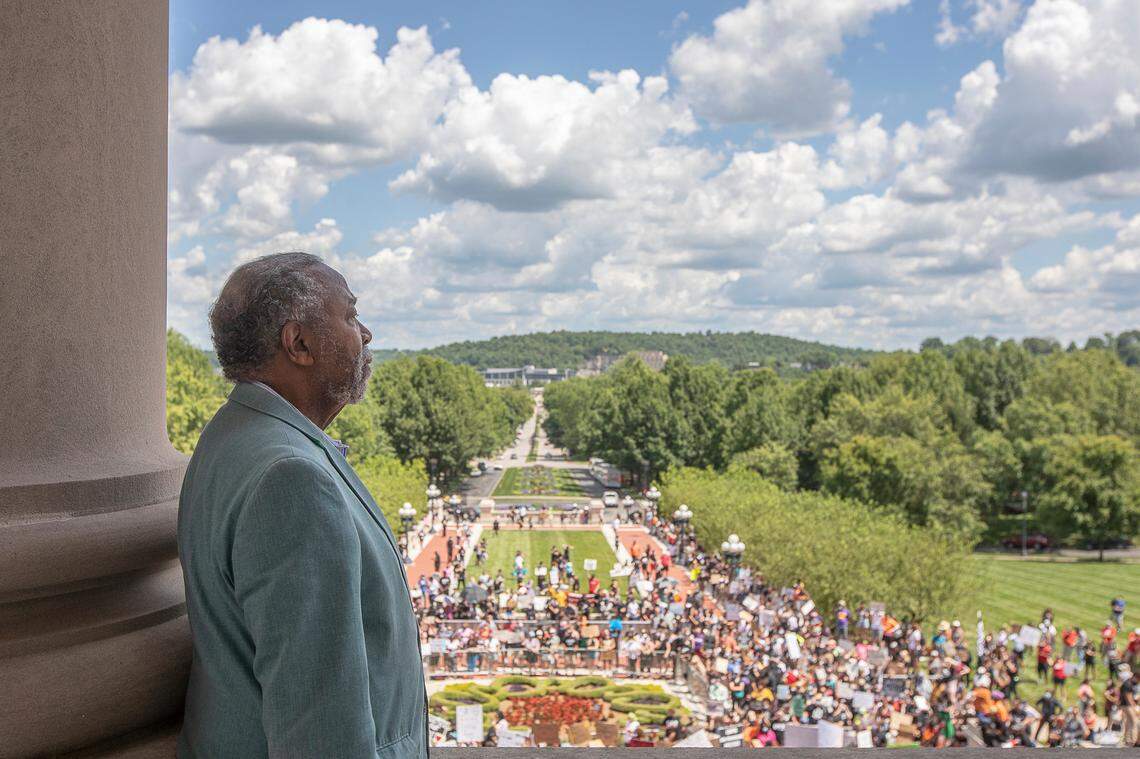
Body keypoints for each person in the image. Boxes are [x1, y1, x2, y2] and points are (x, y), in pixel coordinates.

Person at [177, 253, 427, 758]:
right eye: (352, 315)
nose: (368, 333)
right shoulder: (290, 478)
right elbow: (321, 730)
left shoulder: (233, 435)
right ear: (300, 343)